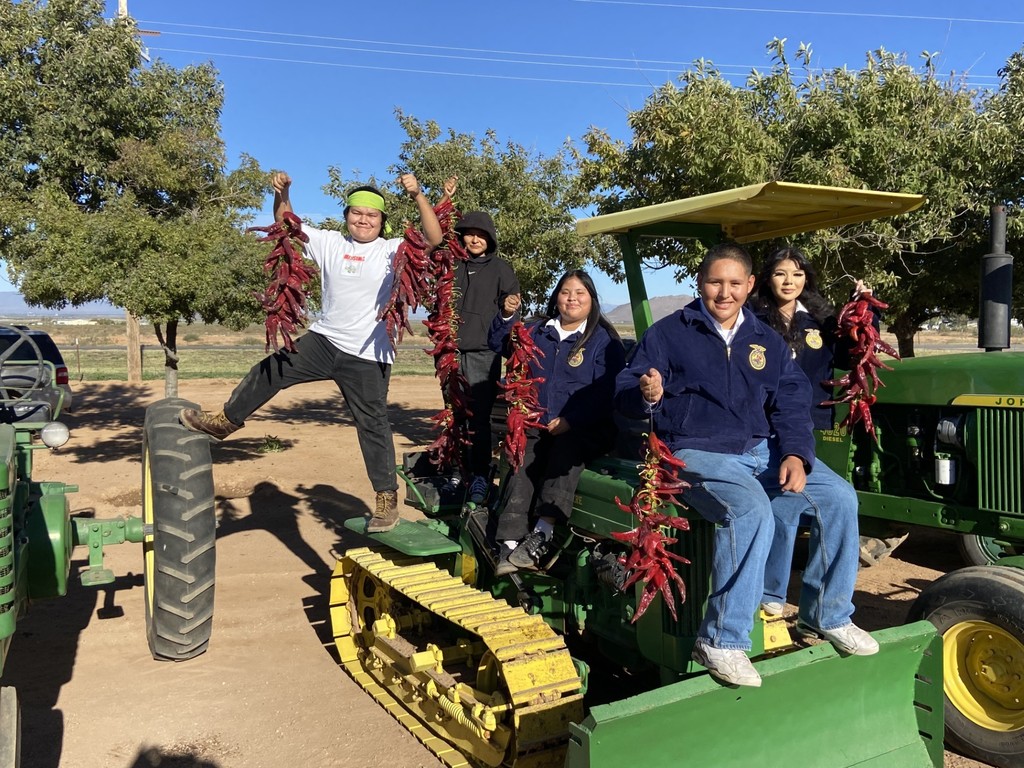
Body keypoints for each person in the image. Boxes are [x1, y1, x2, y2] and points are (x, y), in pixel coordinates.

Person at [614, 242, 877, 690]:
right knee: (750, 509)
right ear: (700, 284)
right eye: (715, 282)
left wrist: (796, 452)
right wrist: (646, 395)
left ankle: (828, 615)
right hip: (695, 450)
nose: (724, 292)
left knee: (838, 498)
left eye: (735, 283)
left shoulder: (765, 339)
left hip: (761, 448)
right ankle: (720, 638)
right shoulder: (668, 334)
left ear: (750, 285)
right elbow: (626, 388)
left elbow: (791, 400)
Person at [179, 171, 444, 533]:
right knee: (270, 370)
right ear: (347, 215)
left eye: (372, 215)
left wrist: (417, 195)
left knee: (373, 426)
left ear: (382, 221)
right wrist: (284, 193)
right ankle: (226, 421)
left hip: (368, 355)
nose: (363, 220)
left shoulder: (391, 249)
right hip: (323, 341)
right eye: (357, 213)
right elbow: (285, 224)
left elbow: (435, 237)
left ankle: (386, 502)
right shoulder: (331, 242)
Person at [751, 246, 875, 642]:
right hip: (759, 425)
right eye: (781, 274)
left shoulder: (820, 320)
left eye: (798, 274)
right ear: (767, 279)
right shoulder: (752, 319)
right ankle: (770, 592)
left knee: (801, 497)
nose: (790, 282)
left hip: (803, 425)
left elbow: (852, 351)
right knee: (782, 501)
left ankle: (820, 611)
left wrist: (863, 311)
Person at [489, 269, 625, 575]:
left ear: (592, 300)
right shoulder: (538, 331)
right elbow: (501, 344)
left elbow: (607, 391)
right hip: (539, 422)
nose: (572, 299)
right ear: (556, 297)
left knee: (567, 450)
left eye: (580, 293)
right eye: (566, 292)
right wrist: (508, 317)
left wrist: (571, 420)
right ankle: (509, 543)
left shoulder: (603, 340)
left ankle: (543, 531)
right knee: (518, 454)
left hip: (586, 427)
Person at [439, 177, 521, 504]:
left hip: (483, 353)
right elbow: (437, 234)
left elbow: (512, 302)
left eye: (480, 234)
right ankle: (458, 470)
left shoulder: (501, 268)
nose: (473, 239)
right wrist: (445, 198)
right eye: (469, 233)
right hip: (449, 351)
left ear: (490, 239)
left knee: (480, 417)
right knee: (454, 414)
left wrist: (511, 305)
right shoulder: (452, 263)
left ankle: (480, 474)